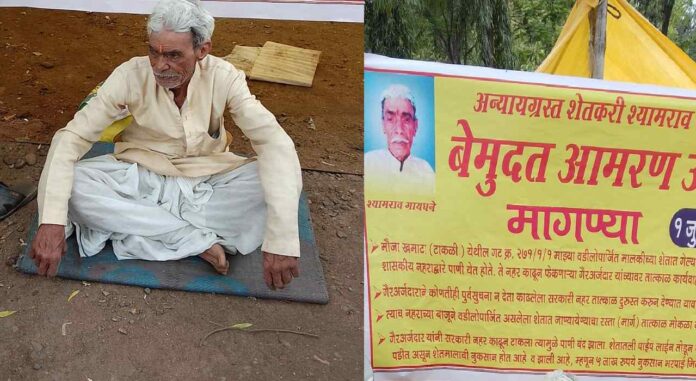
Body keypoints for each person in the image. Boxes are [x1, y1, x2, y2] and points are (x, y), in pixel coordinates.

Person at [29, 0, 301, 290]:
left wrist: (282, 238)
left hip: (208, 182)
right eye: (153, 52)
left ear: (202, 51)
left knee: (274, 176)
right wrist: (51, 222)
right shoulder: (129, 75)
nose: (160, 65)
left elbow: (274, 142)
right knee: (75, 186)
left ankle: (145, 230)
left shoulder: (225, 77)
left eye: (173, 55)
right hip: (140, 178)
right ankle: (192, 239)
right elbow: (70, 138)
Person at [364, 84, 435, 194]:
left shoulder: (426, 171)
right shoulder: (368, 163)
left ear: (415, 126)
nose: (399, 129)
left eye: (406, 120)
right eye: (390, 119)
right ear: (383, 125)